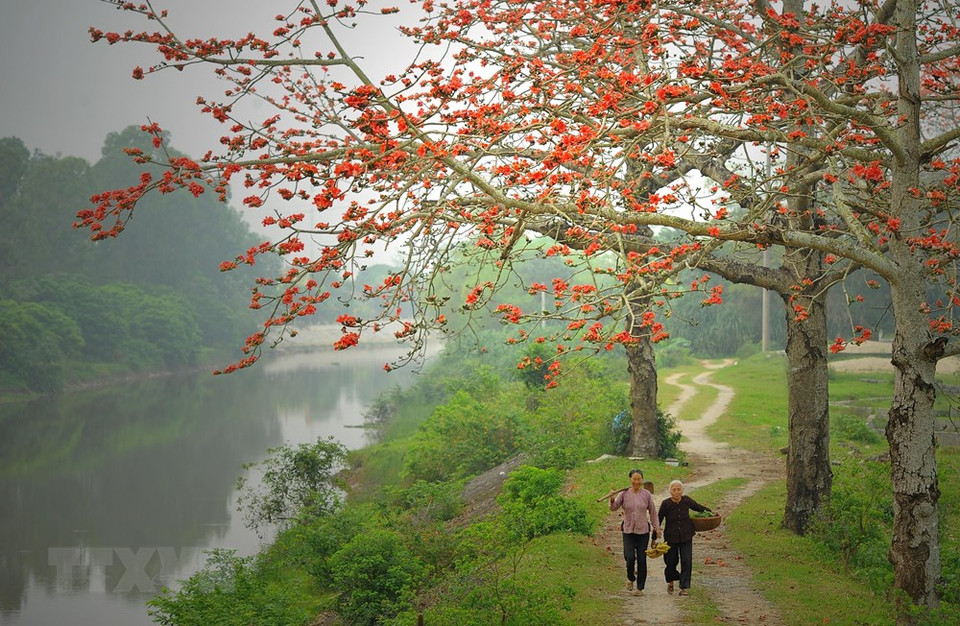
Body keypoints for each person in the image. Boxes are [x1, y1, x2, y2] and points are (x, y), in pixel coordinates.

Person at [609, 469, 661, 595]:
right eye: (634, 479)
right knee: (630, 557)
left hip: (643, 531)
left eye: (639, 479)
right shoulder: (624, 494)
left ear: (642, 480)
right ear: (630, 479)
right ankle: (630, 578)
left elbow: (653, 511)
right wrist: (611, 499)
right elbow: (614, 508)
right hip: (628, 530)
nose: (636, 481)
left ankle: (640, 588)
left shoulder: (646, 494)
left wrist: (656, 527)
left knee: (642, 559)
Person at [658, 479, 712, 596]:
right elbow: (658, 519)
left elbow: (698, 507)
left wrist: (711, 512)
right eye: (674, 490)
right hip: (670, 538)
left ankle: (683, 587)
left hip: (686, 536)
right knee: (671, 562)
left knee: (686, 561)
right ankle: (671, 581)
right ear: (670, 491)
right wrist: (654, 536)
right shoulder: (666, 503)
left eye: (679, 489)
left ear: (682, 491)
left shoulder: (686, 500)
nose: (677, 492)